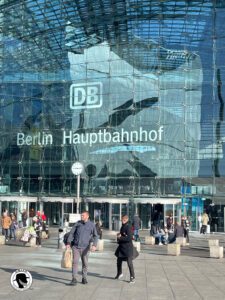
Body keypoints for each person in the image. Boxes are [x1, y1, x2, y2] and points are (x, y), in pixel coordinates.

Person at [66, 211, 98, 286]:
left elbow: (96, 236)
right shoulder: (78, 223)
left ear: (87, 216)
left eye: (83, 215)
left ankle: (84, 278)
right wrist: (68, 243)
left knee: (85, 263)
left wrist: (94, 245)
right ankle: (74, 279)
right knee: (75, 262)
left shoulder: (91, 225)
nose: (81, 217)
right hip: (76, 247)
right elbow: (71, 233)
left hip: (85, 248)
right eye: (81, 215)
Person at [114, 215, 135, 284]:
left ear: (127, 219)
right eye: (122, 219)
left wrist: (120, 237)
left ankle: (132, 277)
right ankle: (119, 273)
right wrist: (118, 237)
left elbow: (129, 238)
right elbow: (122, 235)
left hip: (128, 248)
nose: (122, 220)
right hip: (122, 247)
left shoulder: (128, 227)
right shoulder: (123, 226)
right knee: (118, 261)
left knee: (129, 263)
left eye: (124, 219)